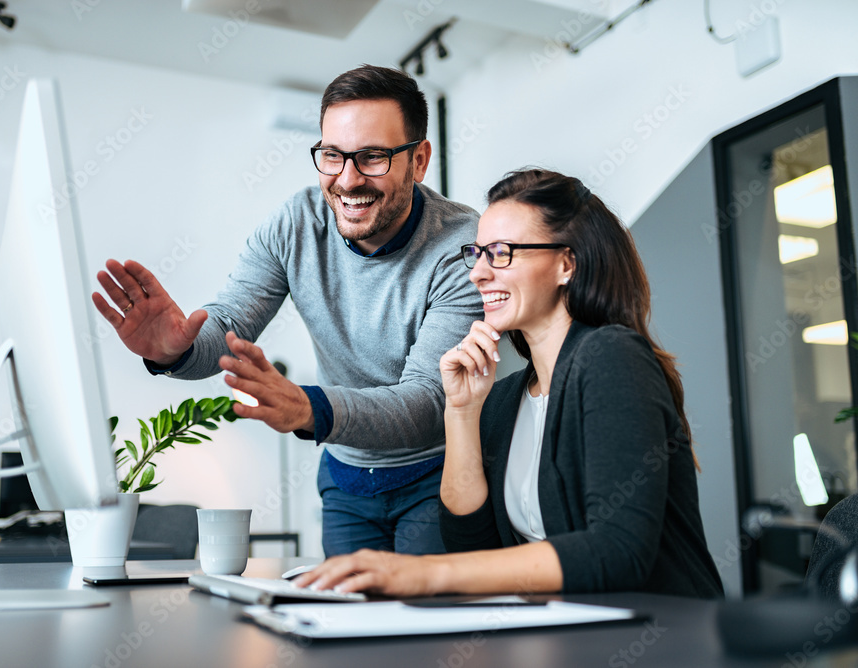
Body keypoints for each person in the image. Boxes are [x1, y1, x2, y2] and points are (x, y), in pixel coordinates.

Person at [91, 65, 482, 557]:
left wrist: (309, 407)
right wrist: (179, 350)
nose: (348, 179)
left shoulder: (465, 248)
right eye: (333, 156)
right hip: (345, 477)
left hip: (439, 473)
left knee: (427, 629)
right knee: (348, 624)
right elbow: (230, 323)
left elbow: (428, 403)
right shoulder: (295, 224)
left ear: (419, 160)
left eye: (373, 158)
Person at [294, 168, 725, 598]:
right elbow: (472, 546)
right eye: (477, 253)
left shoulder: (612, 357)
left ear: (566, 263)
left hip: (663, 637)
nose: (478, 274)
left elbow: (617, 551)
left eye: (501, 252)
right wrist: (461, 412)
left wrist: (426, 573)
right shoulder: (504, 399)